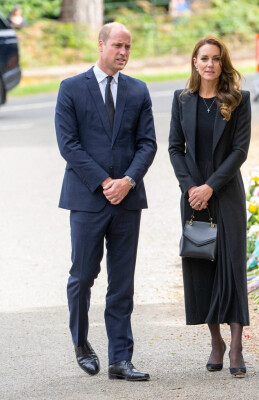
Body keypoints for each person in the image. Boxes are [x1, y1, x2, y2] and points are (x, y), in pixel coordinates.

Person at [55, 22, 157, 381]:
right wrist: (104, 182)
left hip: (128, 200)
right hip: (86, 199)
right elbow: (69, 145)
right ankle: (81, 342)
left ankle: (120, 359)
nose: (124, 53)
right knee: (83, 276)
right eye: (117, 46)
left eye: (128, 47)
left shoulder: (139, 90)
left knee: (122, 283)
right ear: (100, 45)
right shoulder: (71, 89)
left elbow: (148, 143)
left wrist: (128, 181)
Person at [168, 35, 251, 378]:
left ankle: (236, 347)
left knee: (231, 267)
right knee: (202, 267)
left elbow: (239, 151)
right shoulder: (182, 99)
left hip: (226, 193)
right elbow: (175, 147)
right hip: (193, 198)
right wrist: (192, 189)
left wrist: (210, 187)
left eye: (216, 58)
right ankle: (215, 342)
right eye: (204, 58)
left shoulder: (239, 99)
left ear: (222, 63)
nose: (210, 64)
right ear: (194, 62)